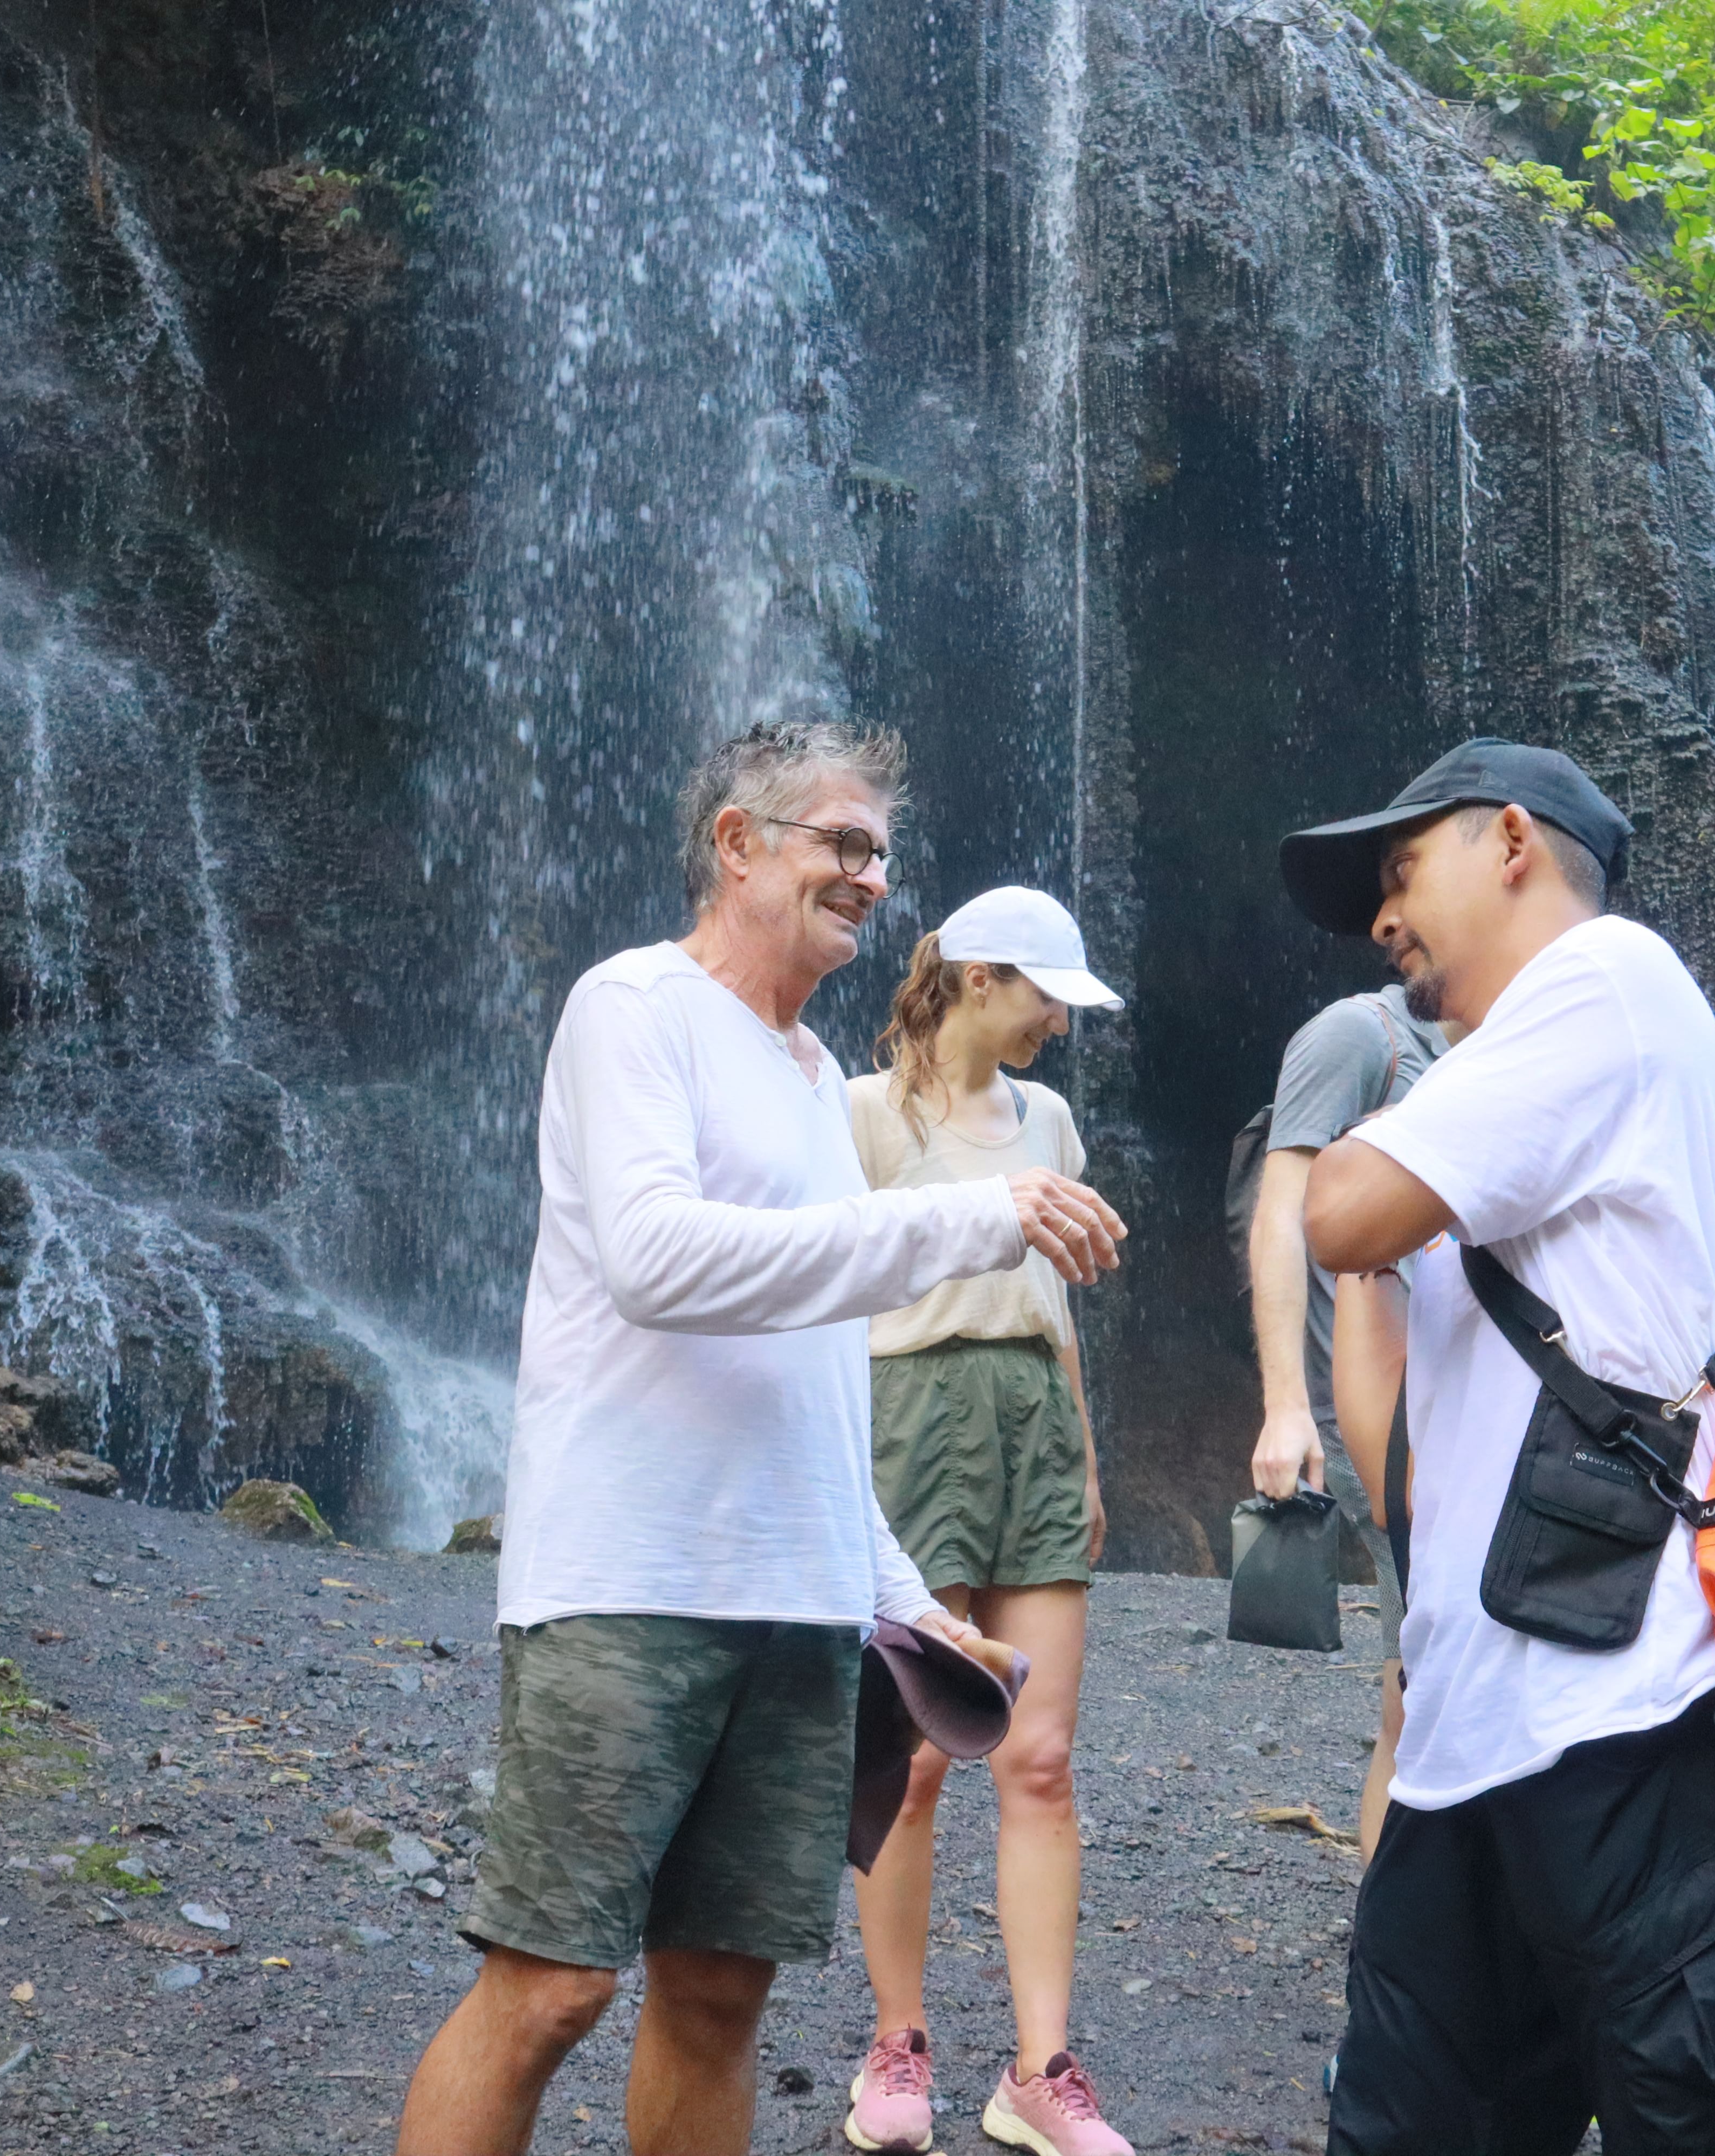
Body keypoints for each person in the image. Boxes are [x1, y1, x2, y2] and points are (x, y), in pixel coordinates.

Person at [394, 723, 1127, 2156]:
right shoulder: (635, 1011)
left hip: (796, 1610)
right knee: (549, 1990)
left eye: (880, 855)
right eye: (840, 844)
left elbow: (807, 1383)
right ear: (738, 843)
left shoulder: (804, 1075)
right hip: (628, 1588)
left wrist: (906, 1598)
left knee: (721, 1999)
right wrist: (969, 1217)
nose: (870, 876)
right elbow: (660, 1264)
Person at [1293, 738, 1715, 2156]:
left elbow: (1341, 1209)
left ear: (1514, 843)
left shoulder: (1609, 979)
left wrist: (1365, 1148)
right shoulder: (1516, 1088)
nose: (1380, 920)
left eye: (1404, 870)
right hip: (1472, 1744)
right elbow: (1406, 1399)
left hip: (1630, 1736)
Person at [841, 886, 1134, 2156]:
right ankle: (896, 2041)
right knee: (913, 1759)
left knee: (1042, 1754)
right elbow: (821, 1287)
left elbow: (1053, 1303)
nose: (1060, 1024)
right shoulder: (858, 1115)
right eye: (1046, 995)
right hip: (909, 1416)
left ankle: (1039, 2068)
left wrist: (1082, 1451)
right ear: (978, 978)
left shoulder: (1049, 1119)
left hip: (1031, 1417)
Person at [1245, 974, 1445, 1855]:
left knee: (1448, 1688)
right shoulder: (1359, 1038)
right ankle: (1402, 1959)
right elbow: (1280, 1218)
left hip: (1489, 1425)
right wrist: (1287, 1406)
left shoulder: (1513, 1037)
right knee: (1424, 1692)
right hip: (1383, 1424)